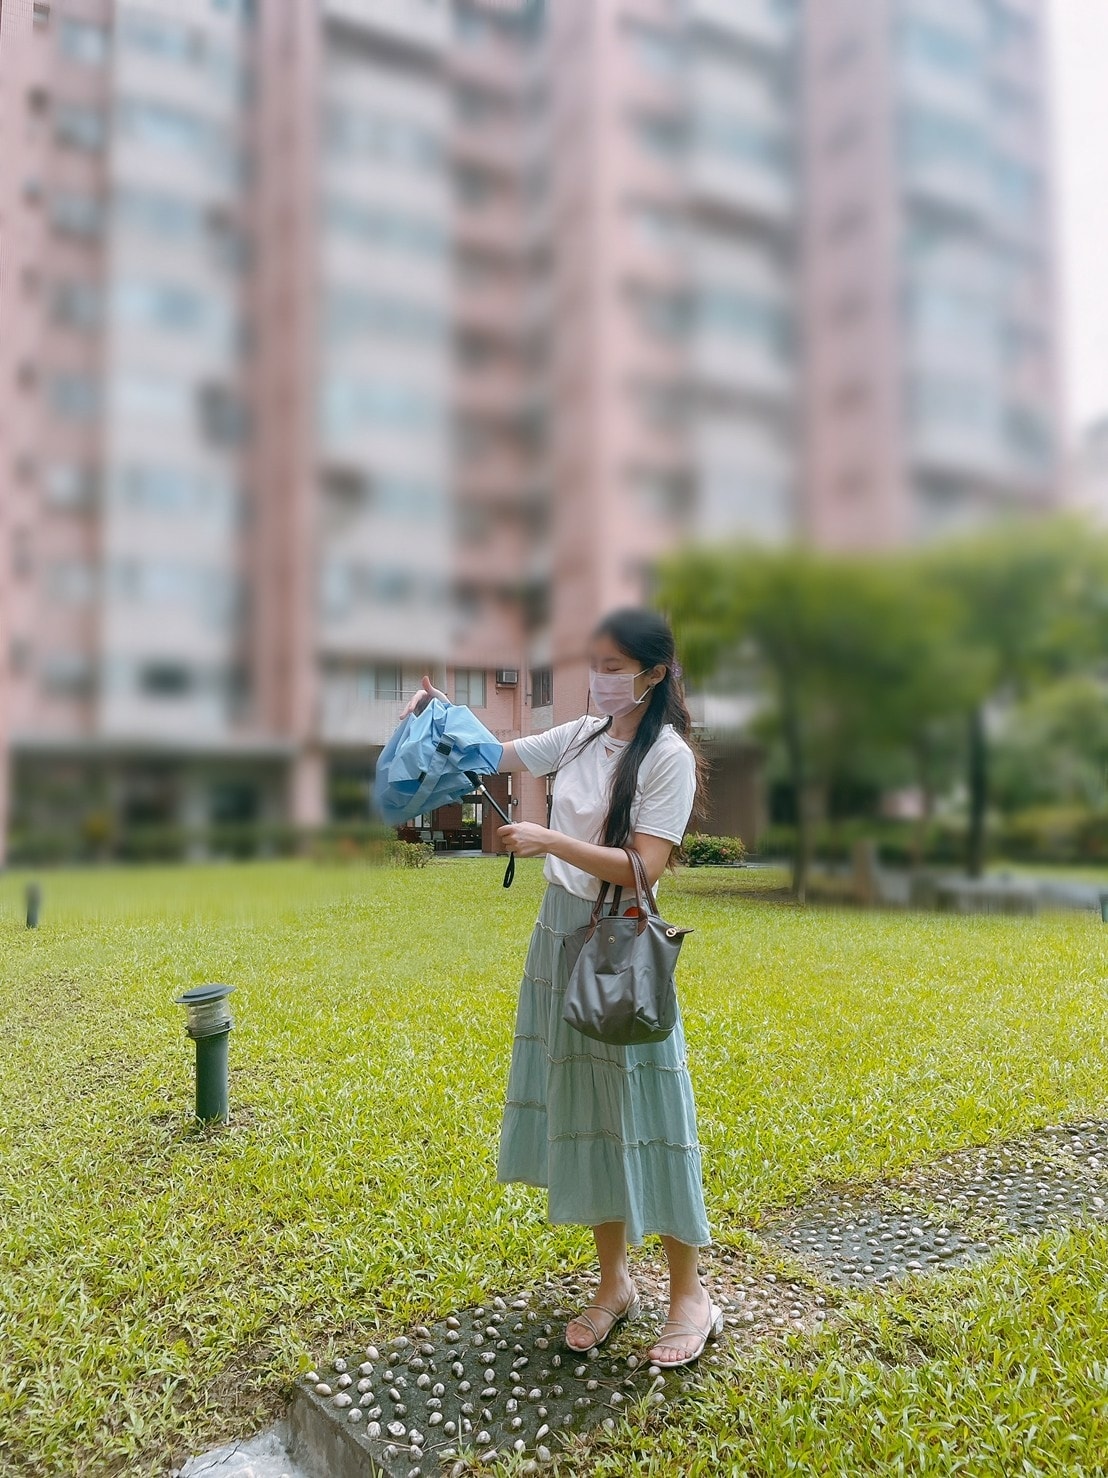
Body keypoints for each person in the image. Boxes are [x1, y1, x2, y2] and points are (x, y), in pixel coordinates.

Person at [400, 607, 719, 1367]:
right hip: (559, 932)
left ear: (653, 672)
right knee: (586, 1109)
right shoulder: (579, 736)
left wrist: (547, 839)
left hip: (622, 940)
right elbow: (500, 750)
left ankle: (689, 1296)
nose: (600, 678)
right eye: (594, 663)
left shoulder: (669, 757)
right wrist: (440, 712)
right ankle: (614, 1284)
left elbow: (645, 866)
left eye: (614, 665)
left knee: (649, 1107)